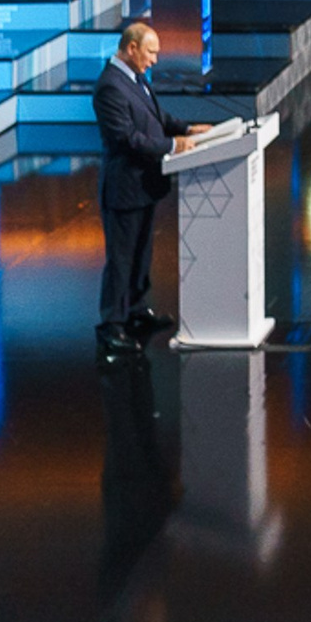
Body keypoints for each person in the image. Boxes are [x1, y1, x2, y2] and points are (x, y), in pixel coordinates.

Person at [92, 21, 210, 365]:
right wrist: (174, 145)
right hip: (124, 187)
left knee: (140, 254)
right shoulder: (109, 87)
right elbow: (127, 139)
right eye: (151, 52)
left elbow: (155, 118)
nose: (155, 60)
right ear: (131, 48)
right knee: (121, 259)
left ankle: (136, 310)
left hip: (144, 184)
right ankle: (111, 326)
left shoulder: (134, 77)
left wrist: (188, 129)